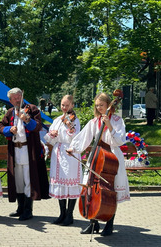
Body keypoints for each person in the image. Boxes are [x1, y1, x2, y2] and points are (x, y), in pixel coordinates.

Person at [66, 92, 130, 236]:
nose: (99, 108)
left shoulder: (117, 120)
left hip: (112, 158)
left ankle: (109, 224)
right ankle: (93, 223)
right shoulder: (94, 122)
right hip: (97, 158)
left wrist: (110, 126)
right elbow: (84, 137)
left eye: (102, 105)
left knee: (110, 193)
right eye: (97, 105)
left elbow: (120, 141)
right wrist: (74, 148)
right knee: (91, 189)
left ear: (109, 105)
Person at [0, 88, 50, 221]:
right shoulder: (10, 112)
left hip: (28, 150)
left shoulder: (32, 109)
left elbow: (38, 126)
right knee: (18, 180)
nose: (17, 99)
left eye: (19, 96)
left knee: (28, 179)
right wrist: (9, 129)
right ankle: (20, 207)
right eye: (14, 98)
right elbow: (0, 128)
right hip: (15, 150)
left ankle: (28, 209)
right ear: (10, 100)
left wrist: (27, 120)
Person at [44, 95, 81, 226]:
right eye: (62, 105)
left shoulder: (75, 121)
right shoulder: (57, 120)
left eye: (67, 105)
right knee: (60, 184)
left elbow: (76, 137)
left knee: (70, 184)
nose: (64, 107)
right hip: (58, 152)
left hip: (70, 153)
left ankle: (70, 215)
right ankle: (62, 213)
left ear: (72, 105)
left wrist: (70, 127)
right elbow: (50, 140)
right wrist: (52, 135)